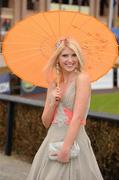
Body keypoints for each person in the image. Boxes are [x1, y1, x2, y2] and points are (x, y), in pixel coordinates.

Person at [26, 38, 104, 180]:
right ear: (57, 59)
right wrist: (53, 102)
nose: (70, 60)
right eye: (65, 55)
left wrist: (66, 149)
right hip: (51, 142)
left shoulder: (82, 79)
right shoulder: (53, 83)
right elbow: (45, 122)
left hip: (73, 142)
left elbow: (78, 118)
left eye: (74, 55)